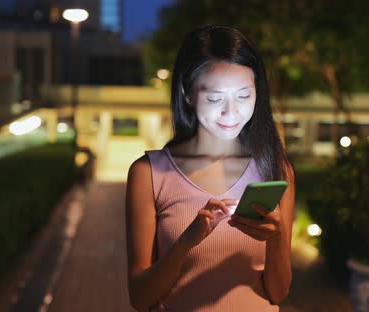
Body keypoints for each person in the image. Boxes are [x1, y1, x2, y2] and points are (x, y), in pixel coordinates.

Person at [125, 25, 295, 312]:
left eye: (244, 96)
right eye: (215, 98)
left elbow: (277, 293)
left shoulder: (274, 168)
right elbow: (140, 299)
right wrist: (184, 244)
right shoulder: (150, 173)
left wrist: (277, 239)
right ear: (187, 93)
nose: (231, 112)